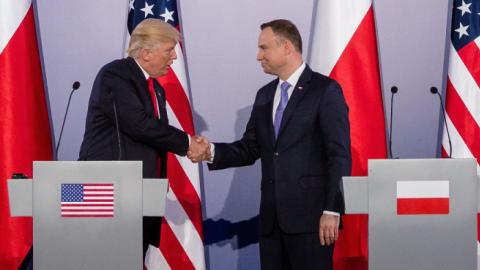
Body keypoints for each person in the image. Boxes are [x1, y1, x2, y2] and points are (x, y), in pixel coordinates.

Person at [190, 19, 351, 270]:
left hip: (312, 223)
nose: (258, 56)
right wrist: (210, 151)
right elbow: (249, 148)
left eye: (264, 48)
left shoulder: (325, 90)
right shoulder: (265, 95)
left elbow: (338, 155)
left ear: (286, 47)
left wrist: (332, 209)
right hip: (271, 224)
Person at [78, 18, 209, 257]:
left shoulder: (155, 88)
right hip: (107, 197)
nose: (174, 58)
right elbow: (139, 124)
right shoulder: (115, 75)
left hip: (139, 200)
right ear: (147, 53)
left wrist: (189, 144)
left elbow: (154, 136)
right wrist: (188, 143)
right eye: (169, 51)